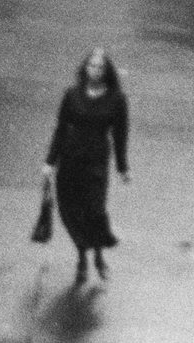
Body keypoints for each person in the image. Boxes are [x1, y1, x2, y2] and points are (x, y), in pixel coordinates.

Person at [42, 48, 130, 286]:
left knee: (95, 211)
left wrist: (122, 167)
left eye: (100, 67)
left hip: (96, 163)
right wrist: (50, 162)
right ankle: (82, 257)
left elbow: (120, 135)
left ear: (107, 71)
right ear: (85, 68)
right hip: (70, 161)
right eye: (91, 65)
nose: (95, 70)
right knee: (71, 212)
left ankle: (99, 255)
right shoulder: (71, 95)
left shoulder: (117, 99)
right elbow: (60, 129)